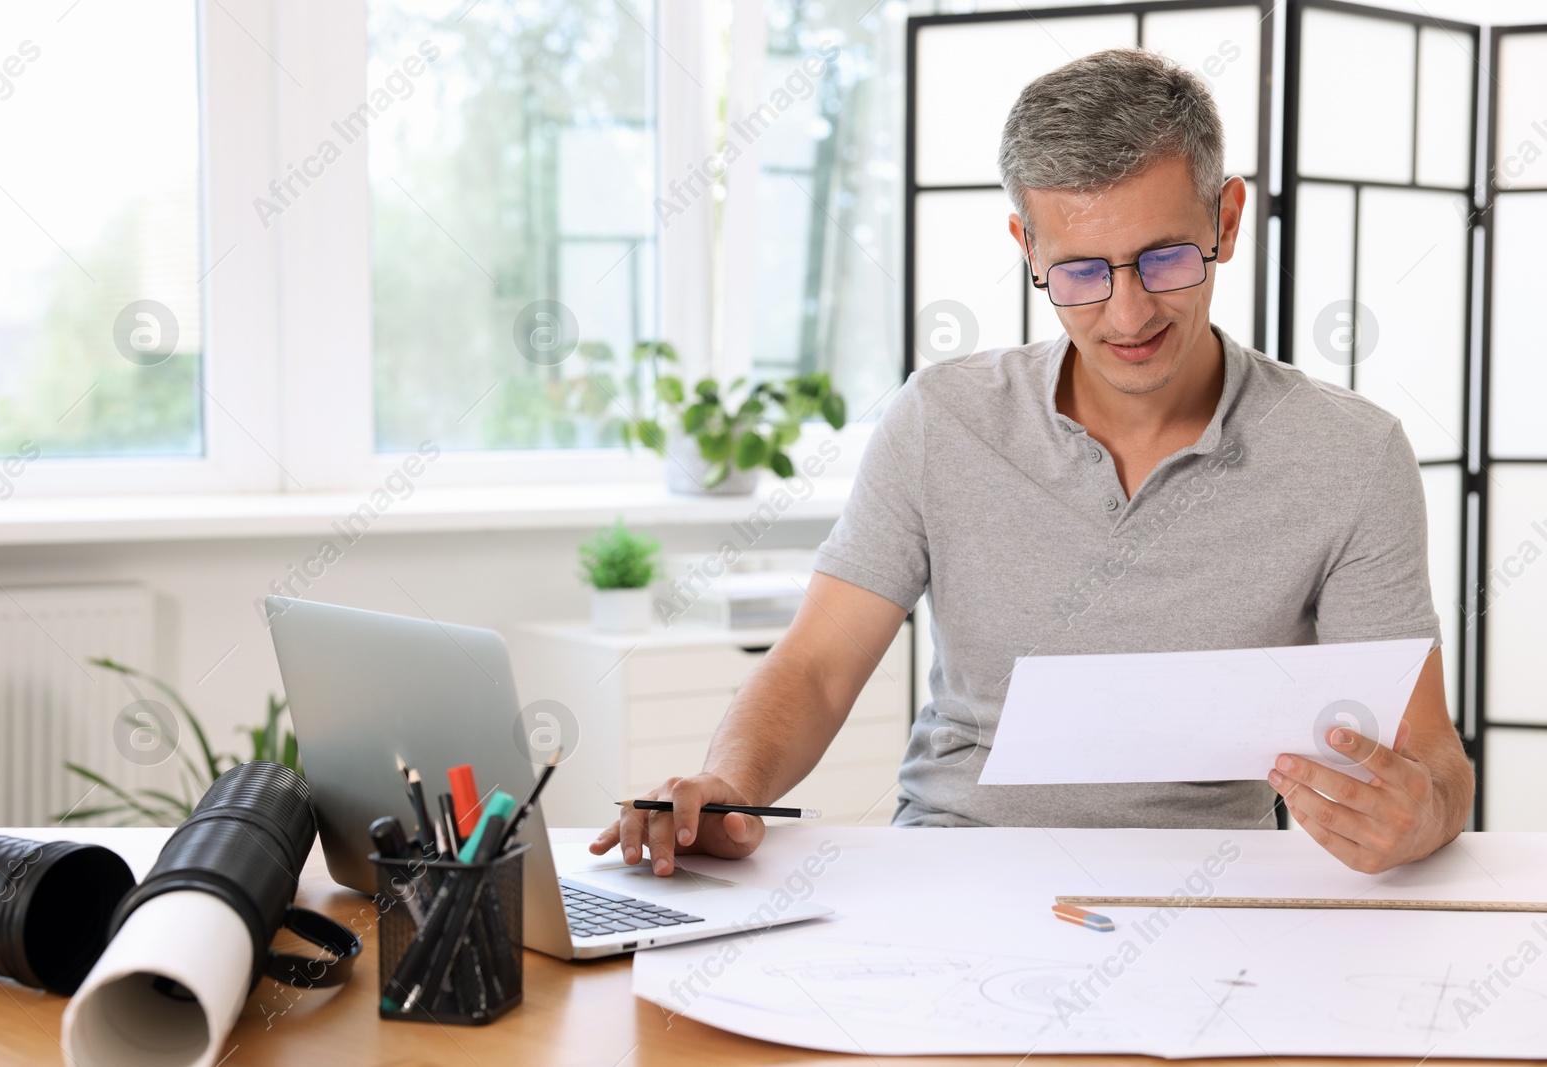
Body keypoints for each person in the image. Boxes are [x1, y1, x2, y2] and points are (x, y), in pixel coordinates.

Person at [591, 47, 1472, 878]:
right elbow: (817, 667)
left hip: (1210, 889)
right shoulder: (941, 420)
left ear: (1227, 219)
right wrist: (729, 782)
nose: (1127, 315)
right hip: (955, 869)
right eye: (1082, 271)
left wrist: (1424, 812)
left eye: (1163, 259)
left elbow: (1428, 749)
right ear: (1027, 249)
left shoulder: (1350, 455)